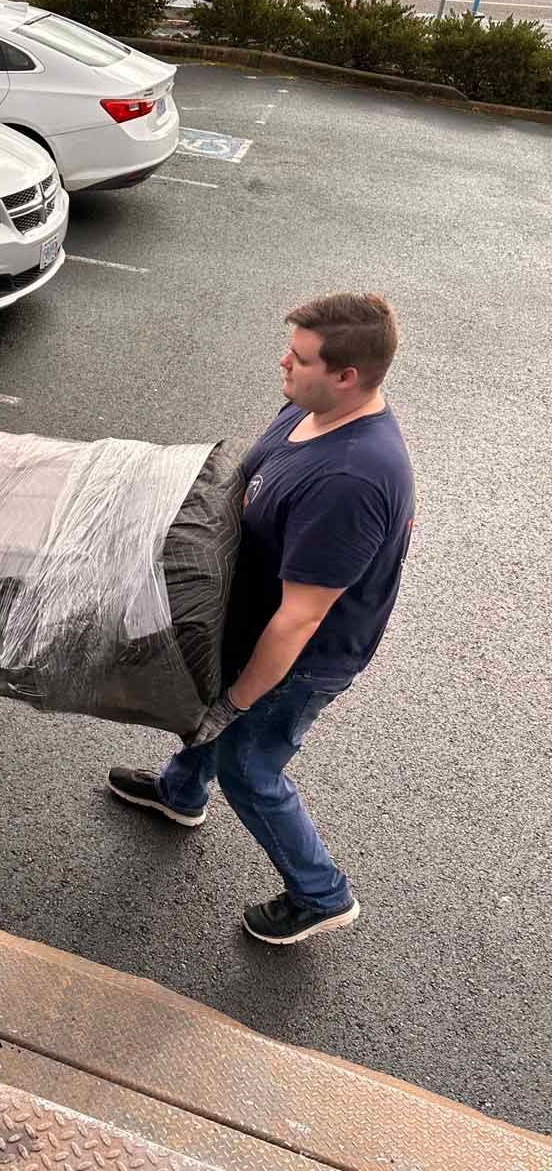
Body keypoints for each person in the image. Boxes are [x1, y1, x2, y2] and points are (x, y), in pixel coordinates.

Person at [108, 293, 414, 946]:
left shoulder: (354, 481)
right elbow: (250, 482)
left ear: (346, 377)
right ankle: (181, 793)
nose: (283, 362)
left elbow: (299, 621)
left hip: (301, 661)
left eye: (300, 358)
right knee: (211, 711)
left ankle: (320, 892)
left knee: (250, 766)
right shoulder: (309, 409)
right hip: (252, 622)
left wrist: (241, 698)